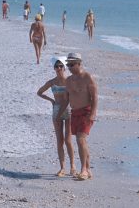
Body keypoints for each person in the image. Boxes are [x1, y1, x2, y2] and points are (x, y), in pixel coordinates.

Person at [37, 57, 76, 177]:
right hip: (56, 109)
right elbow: (39, 92)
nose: (59, 68)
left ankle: (73, 167)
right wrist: (51, 101)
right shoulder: (52, 82)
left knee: (68, 140)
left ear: (64, 68)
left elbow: (76, 93)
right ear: (54, 68)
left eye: (60, 66)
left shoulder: (69, 81)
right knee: (59, 141)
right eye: (56, 66)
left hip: (68, 110)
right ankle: (62, 168)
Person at [63, 53, 98, 181]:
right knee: (81, 141)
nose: (69, 67)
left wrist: (93, 113)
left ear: (79, 63)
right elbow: (67, 99)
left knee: (80, 139)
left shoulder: (87, 77)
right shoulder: (69, 80)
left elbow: (94, 96)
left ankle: (83, 170)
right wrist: (61, 112)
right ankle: (88, 169)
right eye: (68, 65)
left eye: (72, 64)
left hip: (86, 112)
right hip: (74, 112)